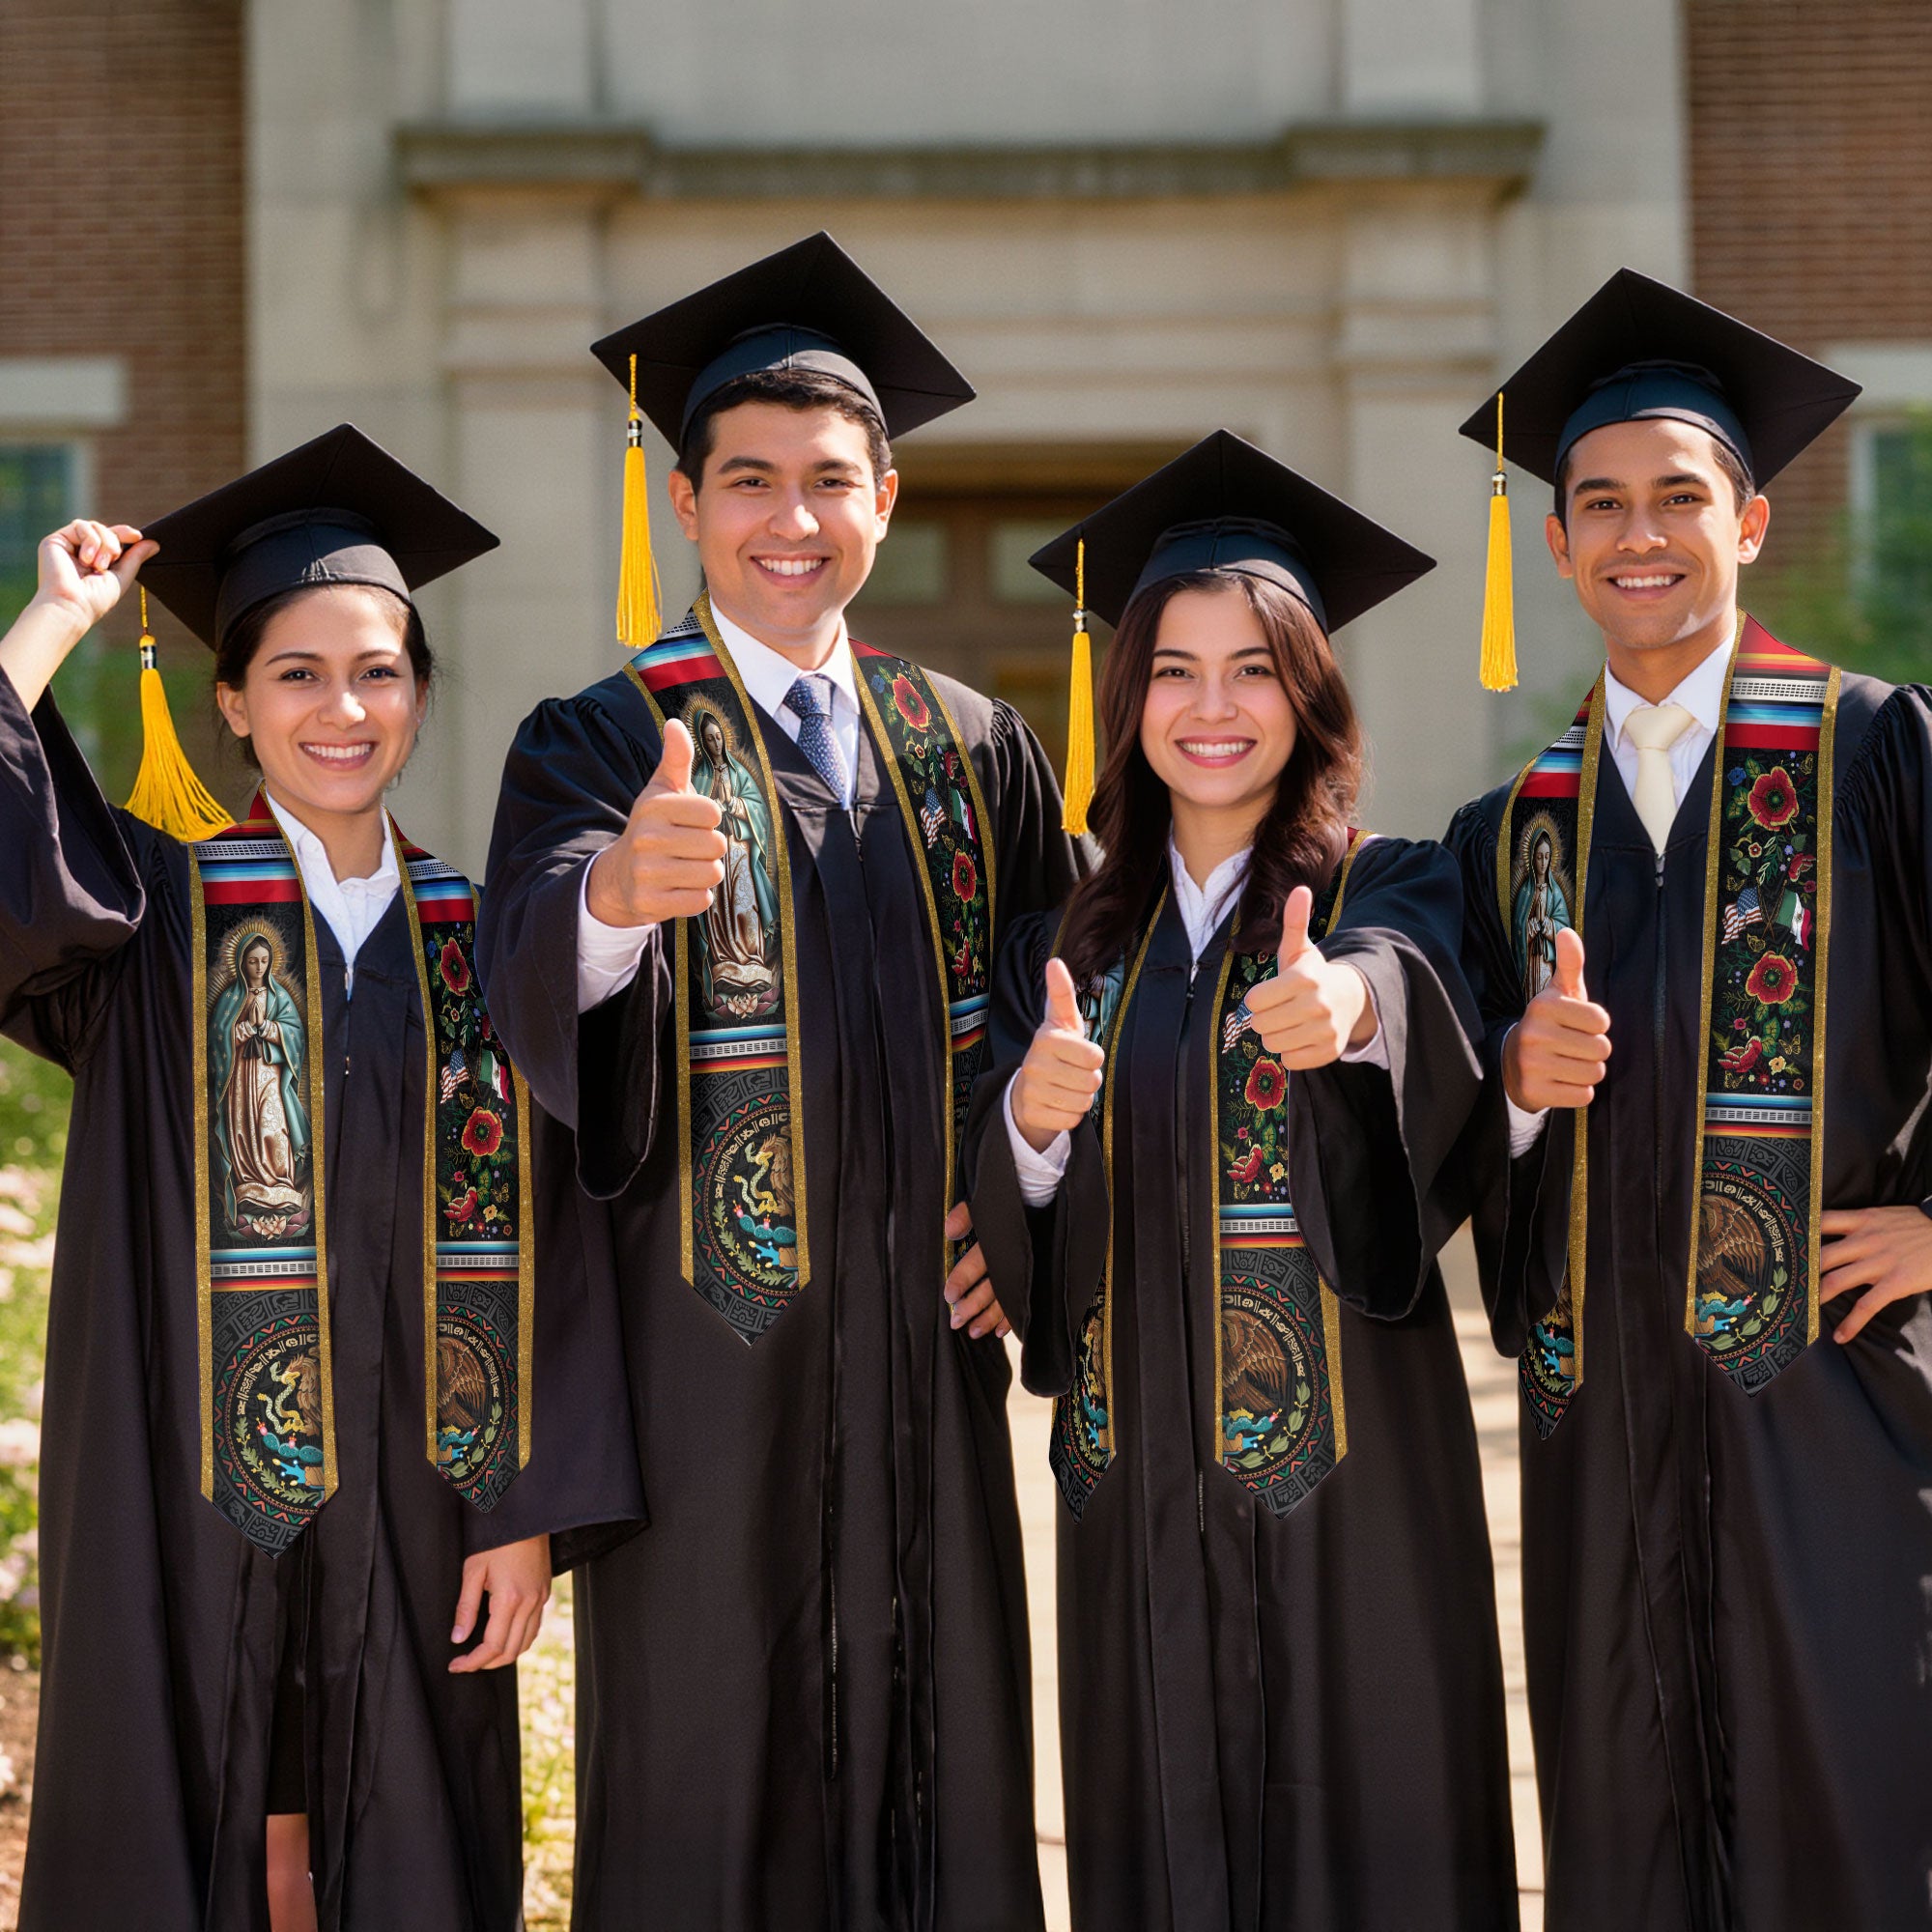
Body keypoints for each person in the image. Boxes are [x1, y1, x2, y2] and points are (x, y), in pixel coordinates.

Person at [477, 233, 1084, 1931]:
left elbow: (1080, 1012)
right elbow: (524, 970)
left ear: (886, 497)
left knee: (943, 1773)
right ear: (686, 504)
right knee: (707, 1793)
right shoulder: (599, 739)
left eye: (830, 481)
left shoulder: (971, 743)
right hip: (706, 1382)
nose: (790, 520)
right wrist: (609, 900)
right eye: (749, 482)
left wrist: (1025, 1207)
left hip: (923, 1373)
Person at [0, 426, 642, 1932]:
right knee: (193, 1812)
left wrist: (528, 1508)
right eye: (295, 673)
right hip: (184, 1490)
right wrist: (50, 624)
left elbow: (565, 1241)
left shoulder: (491, 942)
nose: (341, 708)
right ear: (231, 701)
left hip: (429, 1501)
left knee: (408, 1835)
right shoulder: (151, 921)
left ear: (420, 693)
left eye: (378, 670)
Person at [963, 432, 1518, 1931]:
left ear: (1311, 693)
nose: (1214, 709)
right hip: (1135, 1482)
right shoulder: (1064, 948)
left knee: (1378, 1842)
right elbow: (1014, 1219)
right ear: (1126, 696)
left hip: (1357, 1493)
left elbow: (1413, 989)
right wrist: (1029, 1118)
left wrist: (1348, 1012)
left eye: (1256, 668)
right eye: (1175, 670)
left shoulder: (1388, 885)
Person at [1446, 270, 1932, 1931]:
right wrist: (1512, 1089)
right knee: (1625, 1827)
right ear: (1561, 543)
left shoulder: (1875, 752)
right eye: (1599, 504)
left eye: (1677, 497)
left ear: (1752, 520)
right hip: (1602, 1438)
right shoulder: (1508, 833)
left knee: (1855, 1812)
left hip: (1837, 1412)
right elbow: (1442, 1135)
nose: (1636, 534)